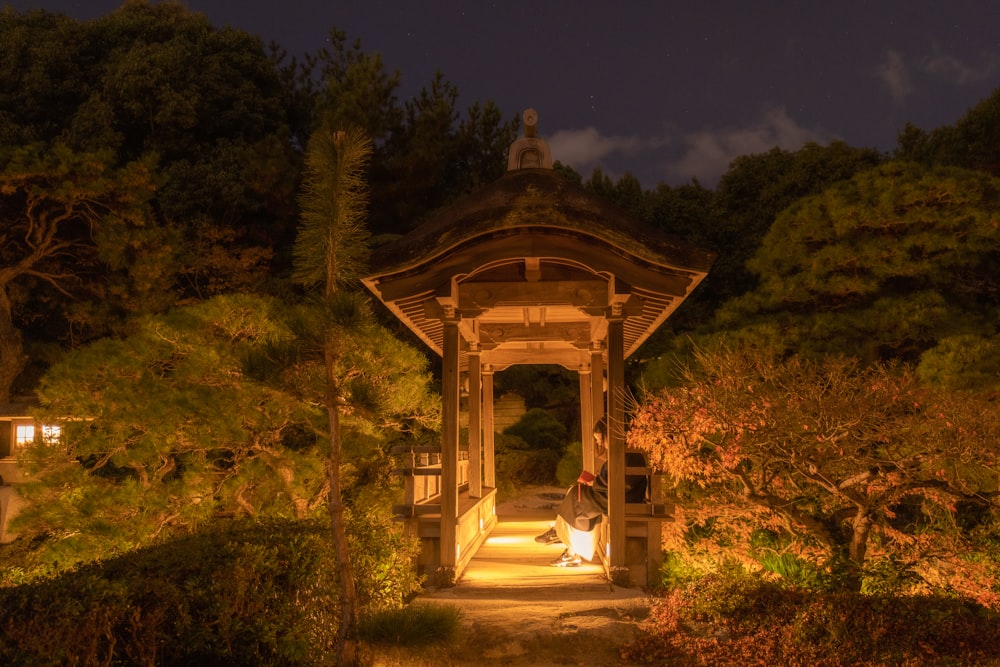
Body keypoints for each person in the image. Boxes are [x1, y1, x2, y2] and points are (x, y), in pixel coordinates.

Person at [536, 417, 647, 567]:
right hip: (613, 495)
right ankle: (570, 548)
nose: (599, 443)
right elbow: (614, 480)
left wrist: (595, 482)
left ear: (609, 434)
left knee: (577, 498)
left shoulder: (628, 454)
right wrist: (595, 481)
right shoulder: (622, 452)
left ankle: (569, 546)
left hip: (620, 498)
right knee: (576, 493)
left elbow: (624, 484)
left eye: (600, 439)